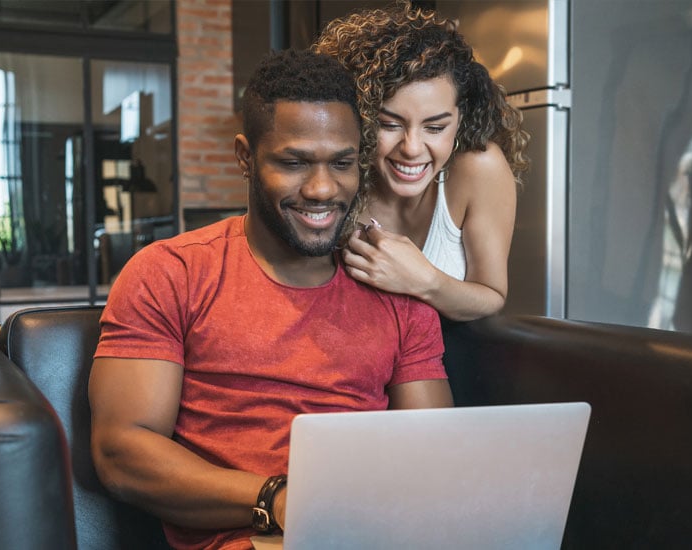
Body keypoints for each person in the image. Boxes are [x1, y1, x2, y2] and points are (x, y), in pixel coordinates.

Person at [88, 49, 453, 550]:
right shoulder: (171, 273)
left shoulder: (397, 292)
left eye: (342, 163)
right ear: (245, 157)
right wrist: (278, 498)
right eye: (294, 162)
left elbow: (435, 452)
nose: (323, 188)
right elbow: (121, 452)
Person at [313, 0, 530, 321]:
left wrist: (424, 280)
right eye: (389, 124)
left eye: (435, 127)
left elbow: (491, 295)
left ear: (460, 118)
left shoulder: (479, 168)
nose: (412, 148)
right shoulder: (333, 176)